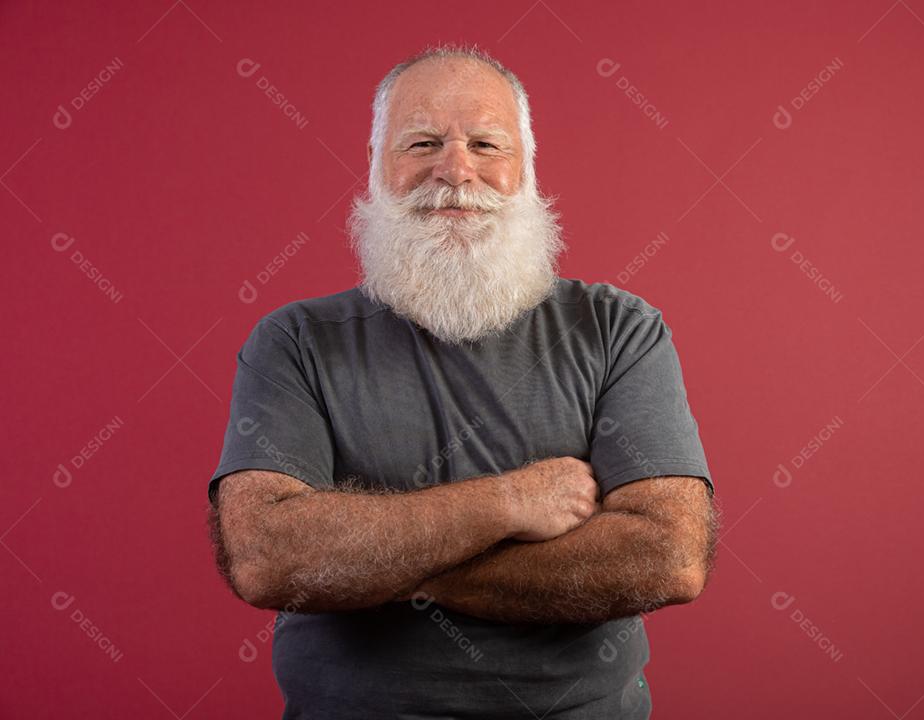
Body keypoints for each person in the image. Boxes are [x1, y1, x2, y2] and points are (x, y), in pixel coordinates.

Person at [207, 42, 717, 719]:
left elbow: (667, 555)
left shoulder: (618, 328)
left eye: (486, 144)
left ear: (527, 170)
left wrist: (388, 567)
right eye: (421, 142)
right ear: (375, 168)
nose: (455, 171)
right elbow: (266, 555)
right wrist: (507, 503)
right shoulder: (294, 341)